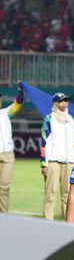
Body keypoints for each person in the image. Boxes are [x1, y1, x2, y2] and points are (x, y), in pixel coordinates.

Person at [41, 92, 74, 220]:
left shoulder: (71, 120)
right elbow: (44, 142)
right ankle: (48, 223)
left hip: (70, 162)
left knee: (68, 195)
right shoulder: (49, 119)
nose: (64, 103)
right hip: (53, 161)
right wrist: (44, 163)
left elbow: (73, 144)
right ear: (55, 103)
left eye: (66, 101)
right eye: (61, 101)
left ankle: (67, 223)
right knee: (50, 194)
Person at [0, 85, 24, 213]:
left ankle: (3, 216)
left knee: (4, 188)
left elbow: (18, 103)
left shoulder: (6, 113)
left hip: (8, 155)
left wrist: (20, 90)